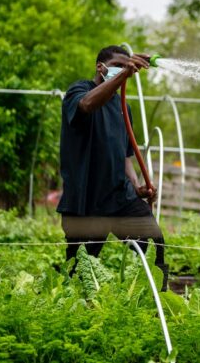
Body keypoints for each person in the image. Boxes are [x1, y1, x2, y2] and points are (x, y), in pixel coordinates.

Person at [57, 45, 168, 291]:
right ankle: (76, 308)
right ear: (101, 67)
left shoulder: (123, 106)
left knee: (153, 239)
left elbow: (125, 155)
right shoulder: (80, 90)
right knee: (81, 264)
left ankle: (157, 298)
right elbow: (86, 106)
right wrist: (123, 76)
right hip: (86, 199)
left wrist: (136, 186)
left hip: (119, 197)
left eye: (126, 66)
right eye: (118, 65)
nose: (123, 71)